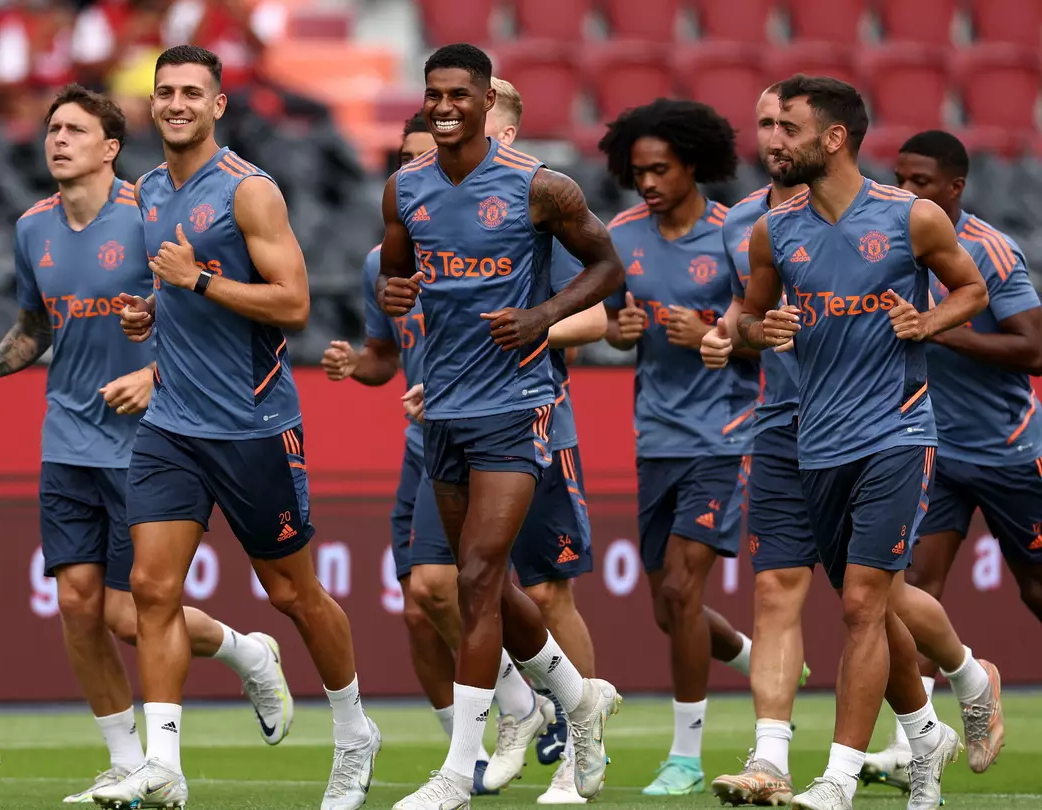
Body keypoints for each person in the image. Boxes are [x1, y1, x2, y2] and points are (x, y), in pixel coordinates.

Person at [0, 84, 292, 804]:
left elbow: (207, 319)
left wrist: (153, 372)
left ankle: (247, 652)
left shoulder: (149, 214)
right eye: (52, 128)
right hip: (66, 439)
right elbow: (36, 326)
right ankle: (125, 761)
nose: (58, 140)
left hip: (151, 437)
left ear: (110, 148)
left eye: (75, 129)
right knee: (78, 605)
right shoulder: (32, 228)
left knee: (130, 614)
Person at [93, 46, 380, 810]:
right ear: (150, 105)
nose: (176, 103)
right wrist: (156, 308)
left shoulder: (250, 192)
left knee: (293, 593)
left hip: (254, 425)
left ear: (219, 104)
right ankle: (164, 765)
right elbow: (184, 292)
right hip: (172, 425)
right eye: (165, 92)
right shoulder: (148, 191)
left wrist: (201, 281)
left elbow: (293, 305)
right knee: (152, 590)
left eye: (192, 92)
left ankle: (355, 734)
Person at [700, 89, 1002, 808]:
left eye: (789, 129)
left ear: (834, 138)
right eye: (769, 126)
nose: (773, 142)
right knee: (877, 599)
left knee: (863, 604)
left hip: (896, 430)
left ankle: (837, 777)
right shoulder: (773, 231)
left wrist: (925, 323)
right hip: (807, 437)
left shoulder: (911, 216)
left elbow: (972, 289)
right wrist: (751, 332)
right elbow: (750, 319)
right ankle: (941, 713)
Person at [378, 44, 624, 810]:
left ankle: (458, 772)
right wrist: (392, 302)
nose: (443, 106)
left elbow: (609, 267)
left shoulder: (539, 186)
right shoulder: (403, 189)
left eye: (458, 94)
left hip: (519, 406)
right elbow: (395, 281)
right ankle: (578, 698)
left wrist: (545, 317)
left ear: (488, 101)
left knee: (480, 578)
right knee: (481, 580)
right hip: (442, 409)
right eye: (433, 95)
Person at [321, 112, 503, 799]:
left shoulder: (498, 243)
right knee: (417, 609)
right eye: (409, 163)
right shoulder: (382, 262)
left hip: (493, 434)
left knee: (466, 588)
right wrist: (354, 364)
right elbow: (383, 359)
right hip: (422, 445)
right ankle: (473, 752)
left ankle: (531, 707)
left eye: (432, 159)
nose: (421, 176)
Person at [597, 98, 757, 797]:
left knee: (684, 590)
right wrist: (619, 331)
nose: (649, 183)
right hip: (654, 436)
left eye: (661, 169)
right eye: (638, 173)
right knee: (668, 608)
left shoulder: (734, 237)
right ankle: (753, 655)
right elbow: (607, 323)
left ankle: (686, 756)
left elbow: (766, 323)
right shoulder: (621, 236)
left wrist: (724, 337)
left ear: (694, 164)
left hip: (723, 435)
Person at [857, 129, 1024, 787]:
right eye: (899, 178)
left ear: (956, 188)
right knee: (904, 590)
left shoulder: (989, 250)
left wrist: (939, 327)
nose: (906, 192)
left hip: (1007, 446)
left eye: (921, 182)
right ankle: (917, 739)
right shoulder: (881, 245)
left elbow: (1034, 347)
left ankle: (970, 684)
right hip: (923, 442)